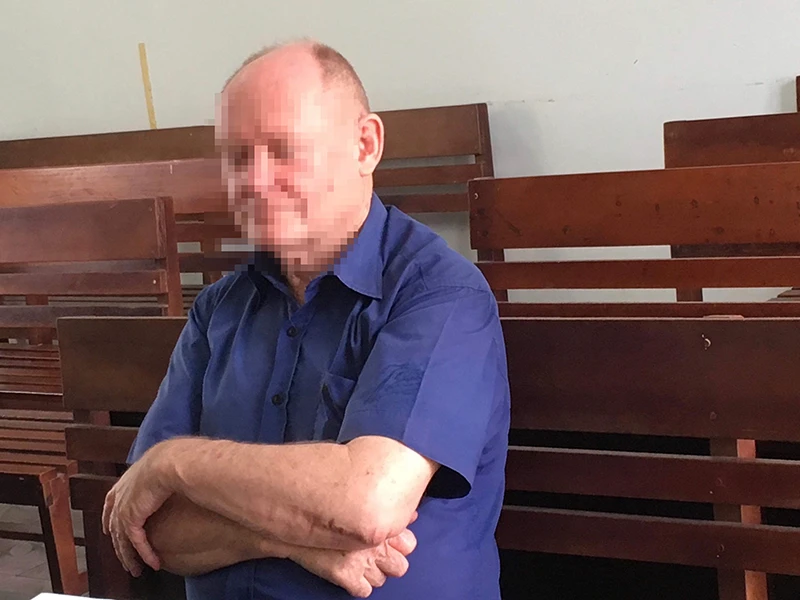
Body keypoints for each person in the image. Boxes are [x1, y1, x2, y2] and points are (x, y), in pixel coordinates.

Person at [102, 38, 510, 600]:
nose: (254, 180)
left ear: (365, 145)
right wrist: (297, 540)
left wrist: (175, 462)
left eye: (284, 148)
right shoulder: (218, 308)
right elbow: (146, 527)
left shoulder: (440, 295)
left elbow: (367, 504)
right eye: (237, 157)